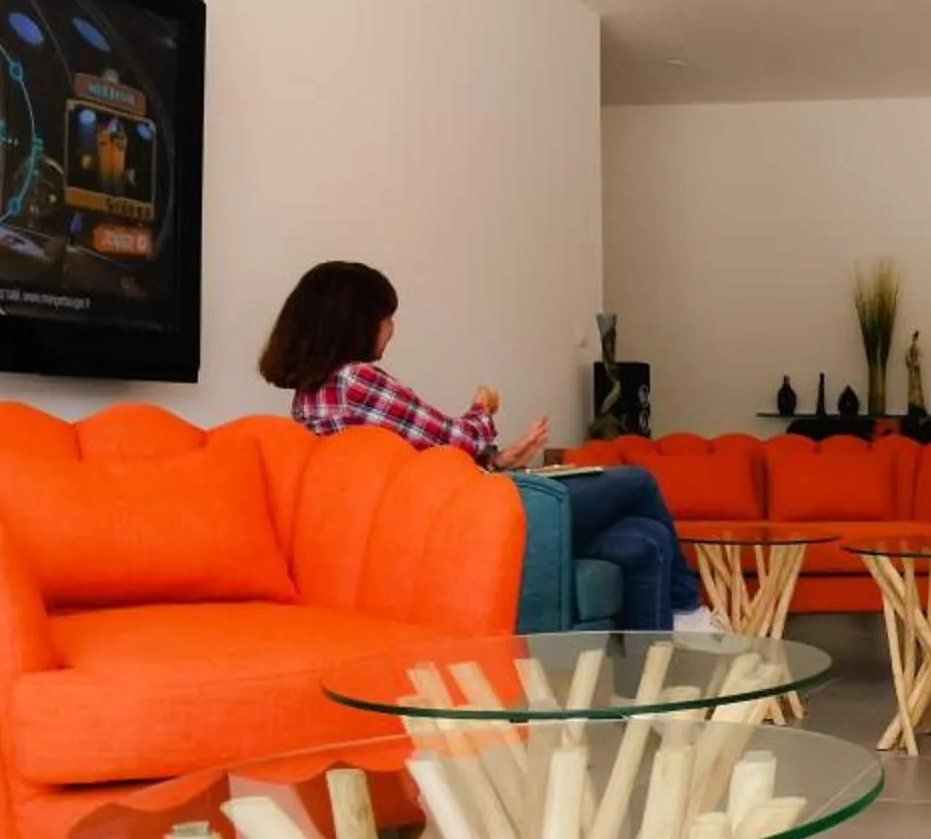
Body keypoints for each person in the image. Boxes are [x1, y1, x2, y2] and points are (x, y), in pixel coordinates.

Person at [258, 260, 717, 635]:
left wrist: (499, 460)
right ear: (357, 323)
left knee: (644, 540)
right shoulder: (357, 380)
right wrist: (482, 409)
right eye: (386, 319)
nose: (391, 330)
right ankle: (691, 612)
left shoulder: (310, 397)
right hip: (476, 519)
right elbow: (459, 438)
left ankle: (647, 695)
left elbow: (427, 460)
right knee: (637, 481)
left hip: (455, 506)